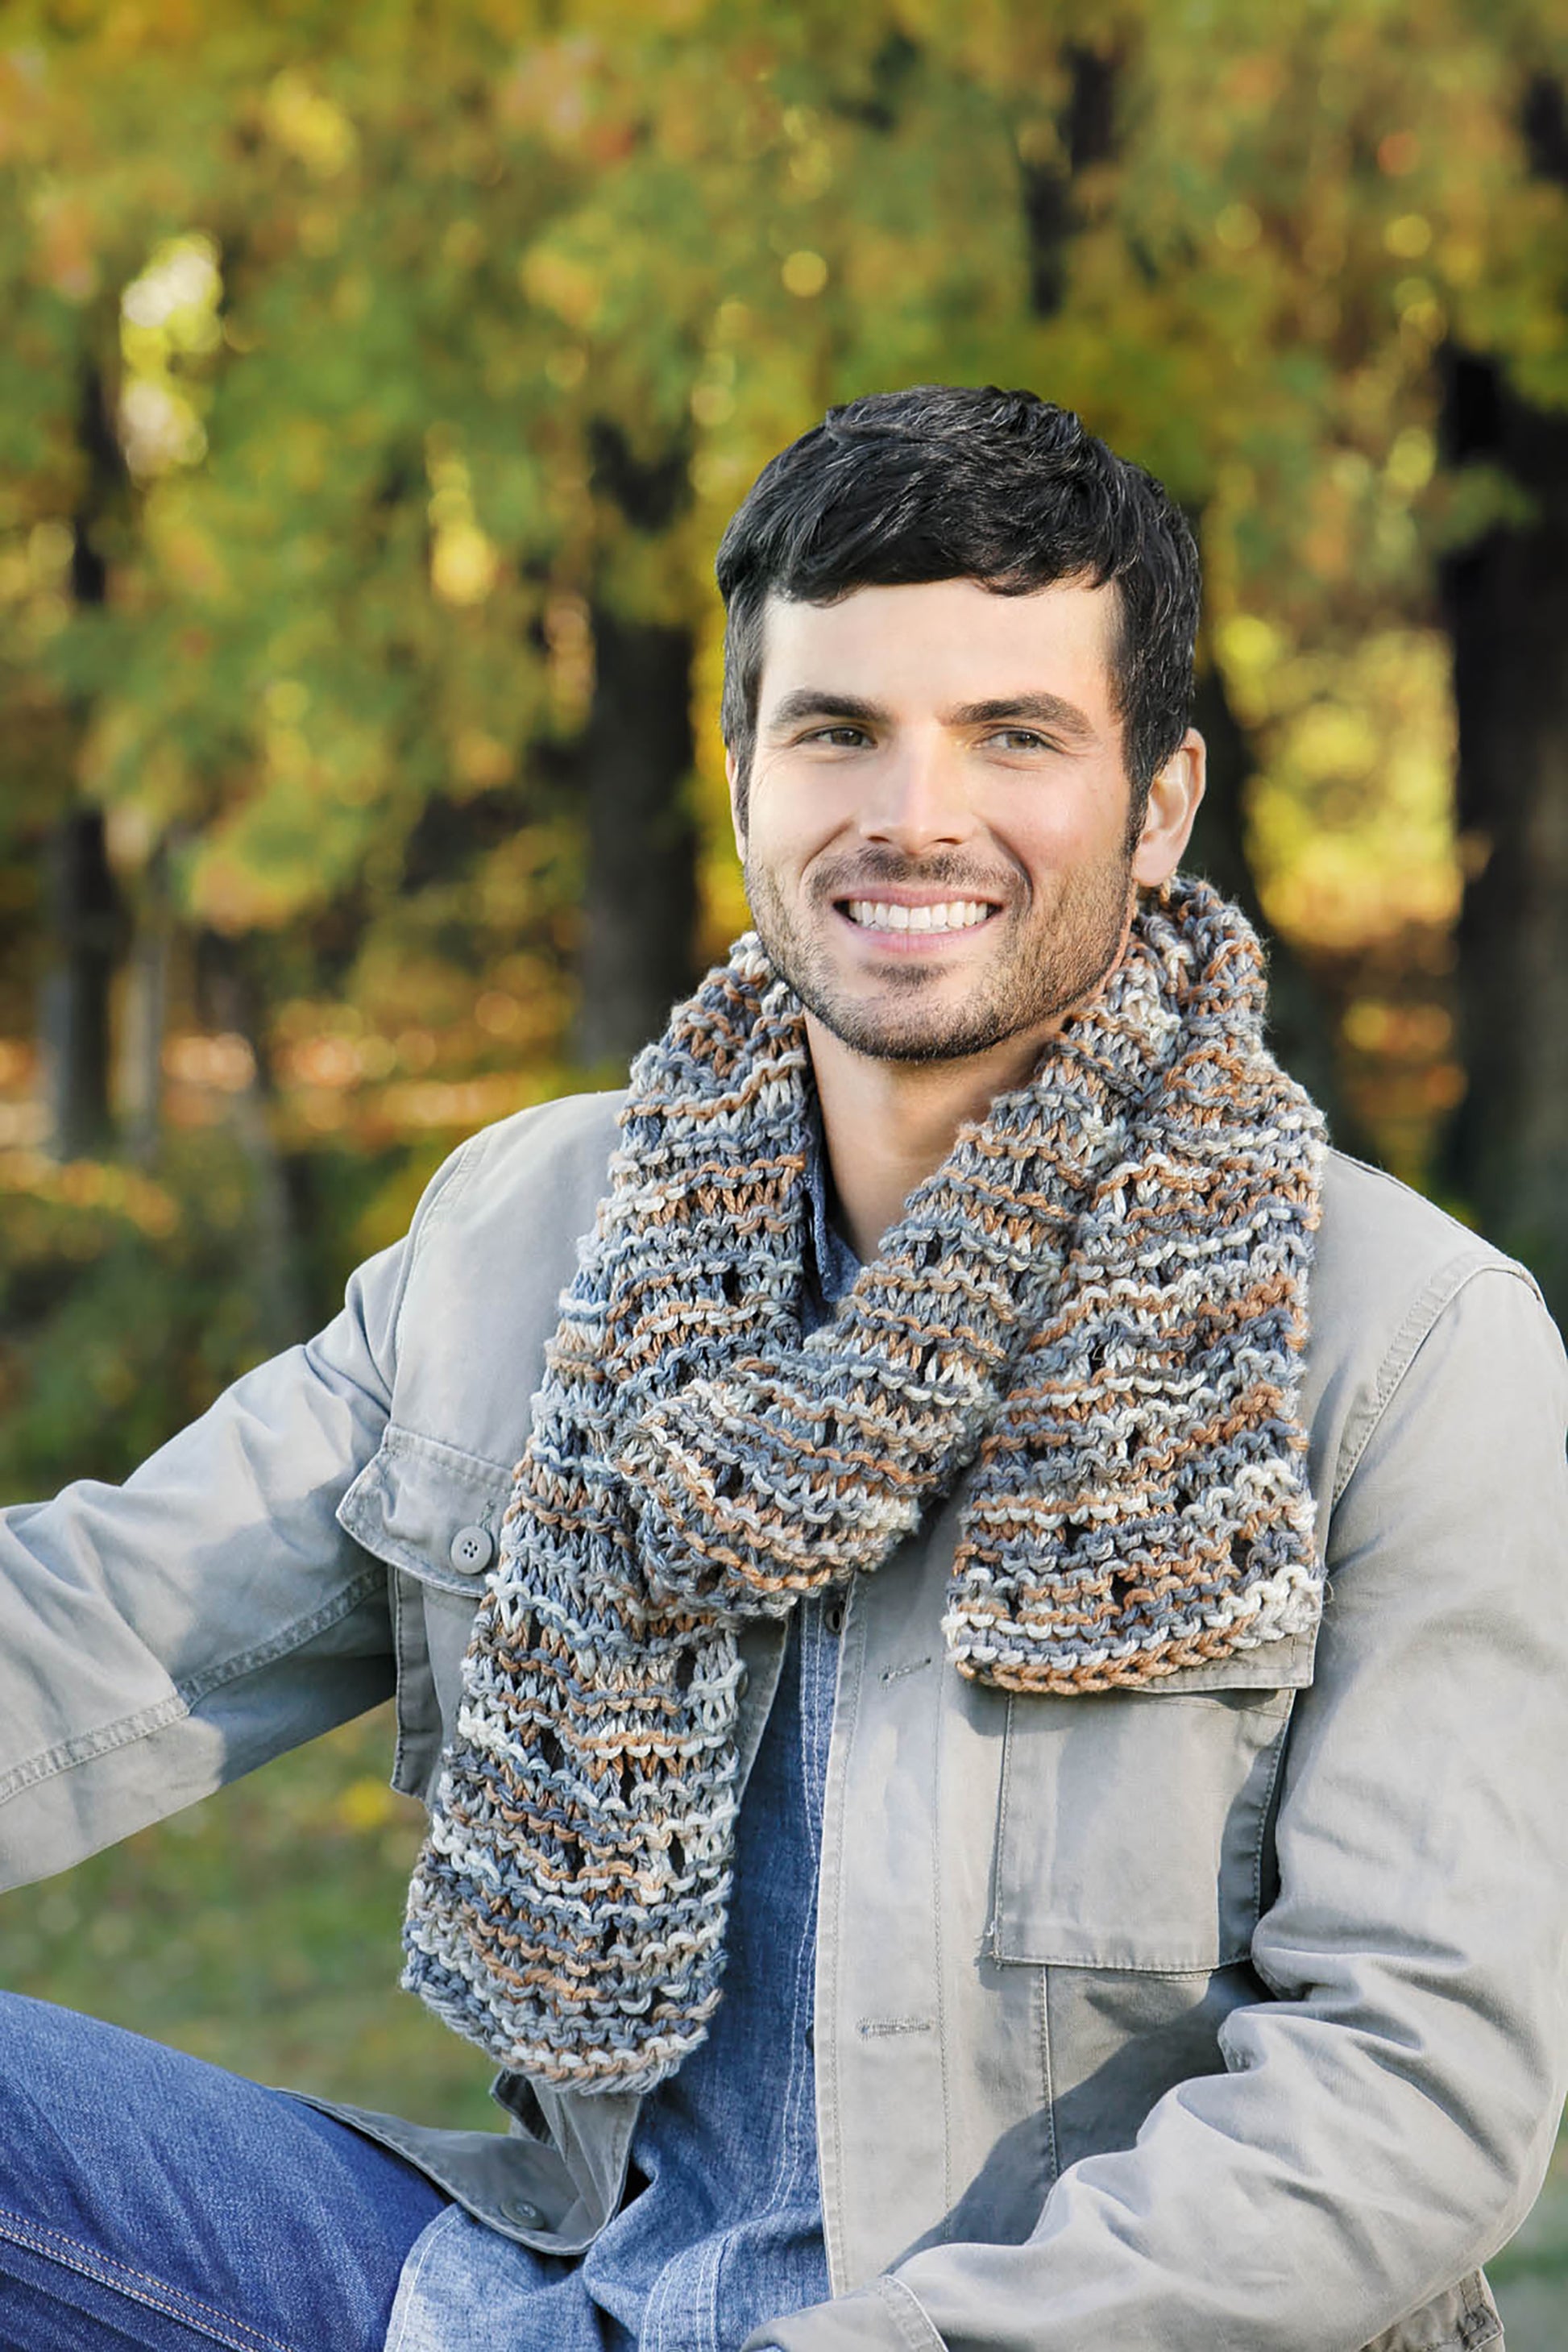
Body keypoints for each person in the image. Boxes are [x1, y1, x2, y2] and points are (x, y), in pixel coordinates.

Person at [0, 384, 1563, 2352]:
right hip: (551, 2292)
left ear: (1158, 801)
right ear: (743, 768)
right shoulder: (538, 1235)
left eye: (1012, 734)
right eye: (837, 728)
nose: (912, 812)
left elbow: (1412, 2089)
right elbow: (90, 1629)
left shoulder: (1405, 1339)